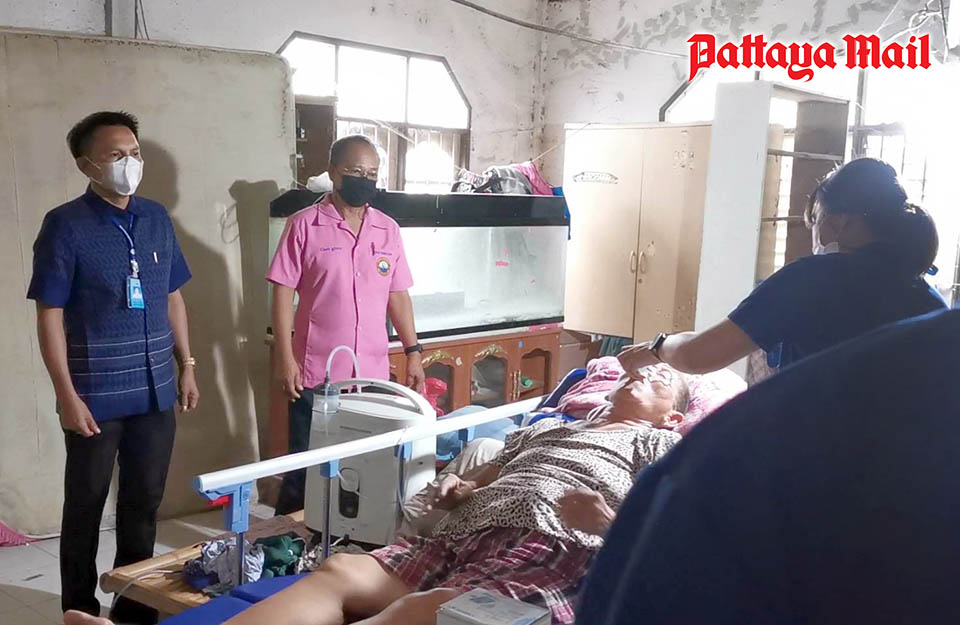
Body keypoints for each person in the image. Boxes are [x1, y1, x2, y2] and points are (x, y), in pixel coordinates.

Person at [578, 308, 960, 624]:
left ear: (672, 418)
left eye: (659, 379)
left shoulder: (671, 447)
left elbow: (698, 354)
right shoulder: (553, 428)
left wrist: (659, 349)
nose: (640, 378)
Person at [28, 111, 199, 624]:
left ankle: (134, 607)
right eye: (116, 155)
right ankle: (78, 609)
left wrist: (187, 364)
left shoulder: (156, 218)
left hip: (156, 391)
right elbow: (49, 315)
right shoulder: (65, 226)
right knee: (85, 506)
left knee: (143, 503)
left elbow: (173, 297)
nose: (130, 163)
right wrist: (66, 395)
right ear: (86, 165)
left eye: (135, 153)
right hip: (95, 396)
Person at [619, 157, 946, 378]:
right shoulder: (929, 300)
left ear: (842, 223)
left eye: (816, 220)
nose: (814, 234)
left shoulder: (813, 279)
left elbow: (698, 355)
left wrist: (658, 347)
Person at [269, 135, 425, 515]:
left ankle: (349, 538)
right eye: (355, 171)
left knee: (363, 468)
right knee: (307, 468)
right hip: (317, 374)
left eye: (372, 173)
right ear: (334, 172)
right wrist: (285, 357)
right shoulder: (304, 225)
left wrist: (413, 352)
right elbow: (282, 293)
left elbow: (398, 295)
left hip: (371, 376)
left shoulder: (387, 229)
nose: (364, 179)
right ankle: (285, 540)